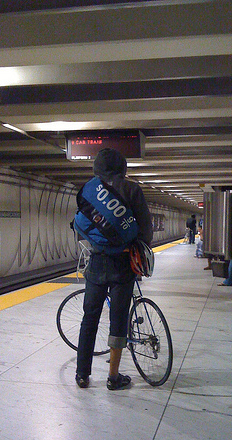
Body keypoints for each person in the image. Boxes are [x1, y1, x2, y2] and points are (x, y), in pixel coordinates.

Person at [75, 148, 153, 390]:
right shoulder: (132, 190)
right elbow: (145, 232)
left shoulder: (90, 190)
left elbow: (82, 225)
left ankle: (82, 374)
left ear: (96, 168)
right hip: (123, 264)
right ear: (123, 167)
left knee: (90, 318)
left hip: (97, 263)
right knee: (118, 319)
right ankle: (113, 376)